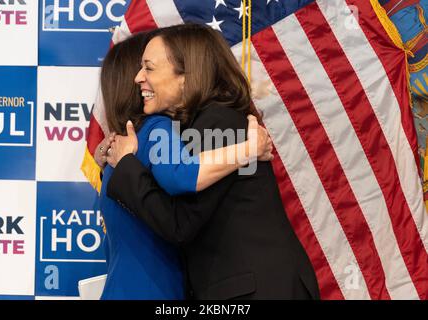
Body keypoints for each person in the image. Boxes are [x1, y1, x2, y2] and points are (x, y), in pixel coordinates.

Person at [106, 23, 320, 300]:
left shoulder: (218, 123)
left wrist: (126, 165)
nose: (138, 78)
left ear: (187, 75)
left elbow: (179, 223)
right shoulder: (206, 124)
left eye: (149, 67)